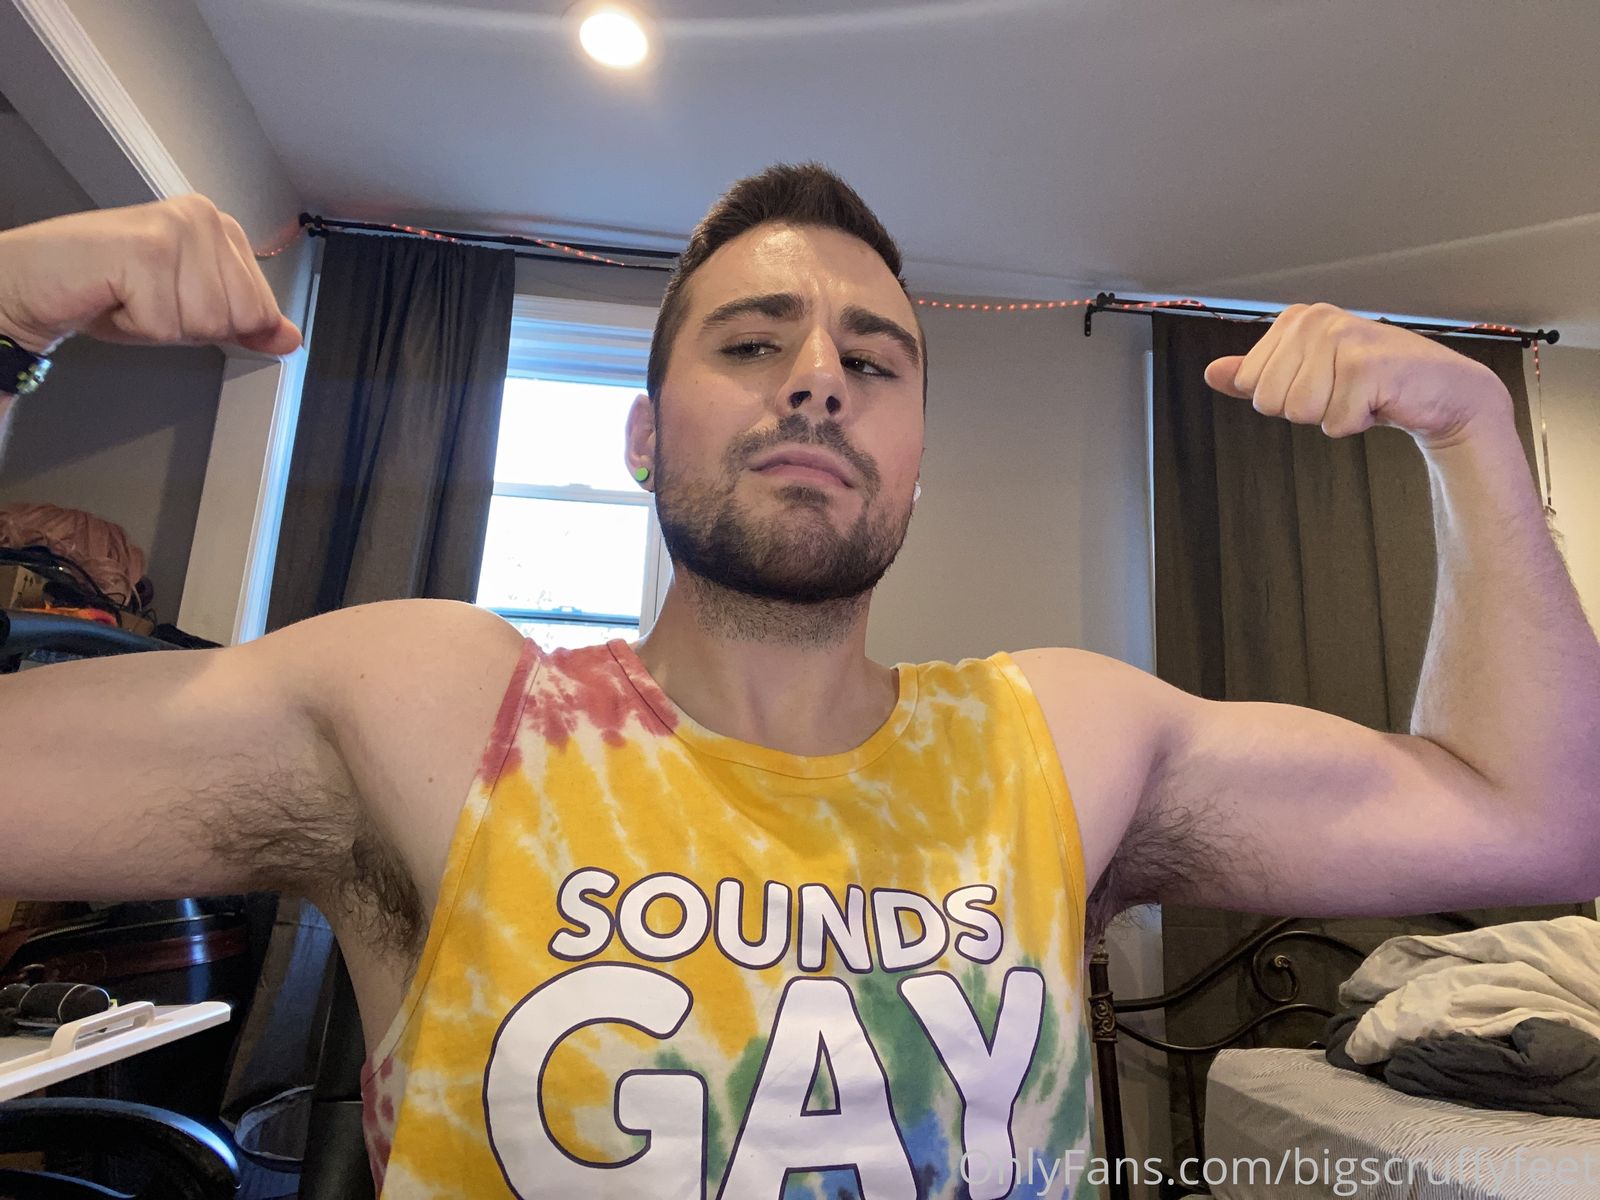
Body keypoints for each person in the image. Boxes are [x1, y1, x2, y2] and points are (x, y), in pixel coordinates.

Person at [0, 165, 1595, 1200]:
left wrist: (1469, 434)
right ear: (644, 438)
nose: (820, 377)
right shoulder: (445, 713)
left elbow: (1534, 818)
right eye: (752, 344)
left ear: (915, 459)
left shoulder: (1060, 739)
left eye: (872, 360)